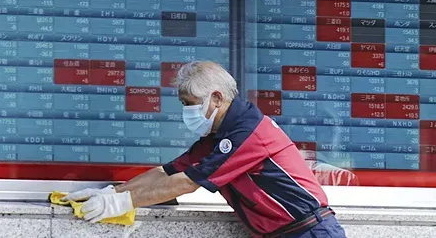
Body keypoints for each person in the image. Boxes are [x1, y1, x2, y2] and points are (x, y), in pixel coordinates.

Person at [62, 61, 347, 238]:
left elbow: (187, 183)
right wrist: (113, 192)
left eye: (190, 103)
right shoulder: (219, 134)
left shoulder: (248, 133)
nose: (187, 111)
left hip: (310, 232)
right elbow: (168, 172)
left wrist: (120, 205)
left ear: (217, 98)